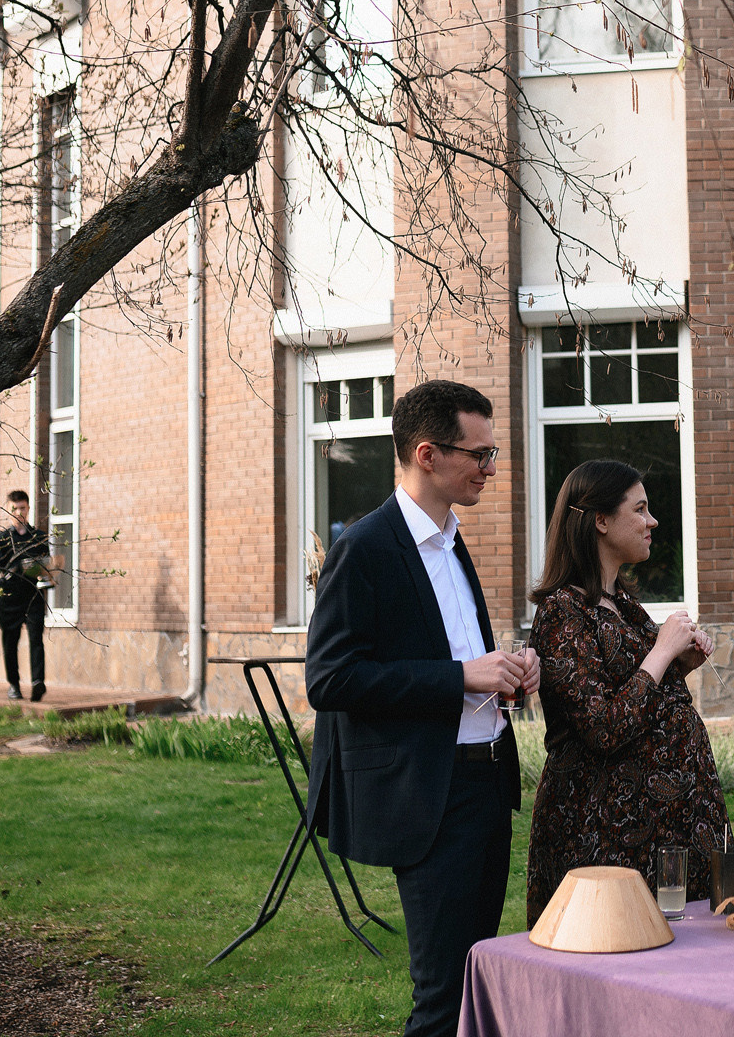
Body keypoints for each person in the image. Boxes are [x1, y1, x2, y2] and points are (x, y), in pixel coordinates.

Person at [305, 380, 541, 1037]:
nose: (491, 469)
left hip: (486, 780)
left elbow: (456, 654)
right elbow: (330, 678)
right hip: (431, 795)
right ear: (428, 454)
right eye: (481, 455)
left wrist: (507, 674)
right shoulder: (367, 546)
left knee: (475, 980)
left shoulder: (451, 537)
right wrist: (461, 676)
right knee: (443, 997)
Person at [524, 459, 725, 924]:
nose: (652, 521)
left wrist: (680, 664)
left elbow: (642, 699)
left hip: (666, 837)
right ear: (600, 521)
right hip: (608, 841)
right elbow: (604, 728)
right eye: (640, 509)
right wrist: (662, 651)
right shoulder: (562, 613)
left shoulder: (625, 604)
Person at [0, 490, 58, 702]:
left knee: (36, 639)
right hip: (9, 598)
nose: (19, 512)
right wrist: (1, 579)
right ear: (8, 510)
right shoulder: (1, 539)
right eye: (14, 508)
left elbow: (47, 566)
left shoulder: (39, 538)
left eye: (22, 508)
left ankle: (37, 683)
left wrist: (49, 575)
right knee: (10, 642)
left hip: (33, 596)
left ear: (28, 509)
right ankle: (14, 685)